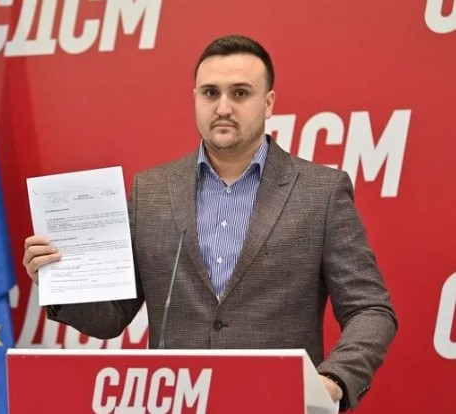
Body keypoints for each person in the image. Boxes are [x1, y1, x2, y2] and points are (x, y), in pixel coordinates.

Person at [23, 34, 397, 411]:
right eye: (210, 93)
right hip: (177, 403)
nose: (223, 107)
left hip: (278, 404)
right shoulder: (151, 191)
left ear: (268, 102)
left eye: (240, 93)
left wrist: (333, 380)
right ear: (195, 98)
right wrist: (58, 280)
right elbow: (112, 317)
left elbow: (370, 309)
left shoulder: (321, 192)